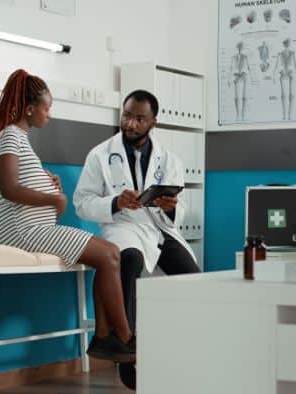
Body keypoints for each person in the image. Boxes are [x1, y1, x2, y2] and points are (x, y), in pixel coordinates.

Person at [0, 70, 136, 368]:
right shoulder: (9, 137)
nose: (49, 115)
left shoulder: (19, 139)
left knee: (110, 254)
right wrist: (54, 199)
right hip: (23, 232)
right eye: (46, 108)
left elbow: (20, 181)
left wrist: (44, 178)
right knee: (108, 255)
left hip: (35, 227)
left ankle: (107, 335)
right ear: (30, 108)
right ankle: (124, 337)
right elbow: (9, 188)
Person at [73, 89, 199, 389]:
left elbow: (180, 208)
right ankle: (127, 351)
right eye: (127, 116)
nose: (130, 124)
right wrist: (116, 202)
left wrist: (171, 208)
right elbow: (82, 202)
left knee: (193, 277)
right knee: (129, 259)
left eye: (139, 119)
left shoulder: (169, 159)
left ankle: (186, 350)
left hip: (158, 227)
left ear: (153, 122)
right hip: (123, 225)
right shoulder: (99, 155)